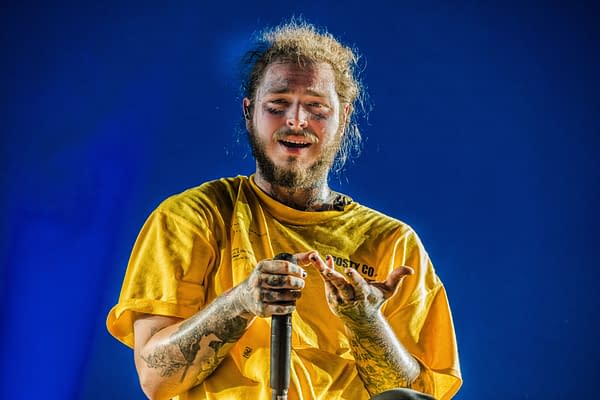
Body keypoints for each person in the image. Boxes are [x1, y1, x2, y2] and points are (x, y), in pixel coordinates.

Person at [107, 19, 462, 400]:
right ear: (250, 112)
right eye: (277, 105)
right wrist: (241, 301)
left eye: (316, 108)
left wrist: (365, 321)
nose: (296, 120)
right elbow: (156, 379)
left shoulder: (394, 242)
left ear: (343, 118)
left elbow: (415, 395)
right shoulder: (191, 217)